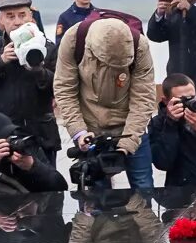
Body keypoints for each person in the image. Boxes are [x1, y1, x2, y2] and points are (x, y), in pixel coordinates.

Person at [53, 15, 158, 190]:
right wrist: (79, 132)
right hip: (90, 132)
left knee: (143, 187)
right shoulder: (74, 39)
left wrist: (126, 146)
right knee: (93, 195)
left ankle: (144, 216)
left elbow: (143, 98)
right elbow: (65, 90)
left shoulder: (140, 45)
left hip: (130, 128)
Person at [0, 0, 62, 166]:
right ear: (1, 20)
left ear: (31, 18)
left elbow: (59, 86)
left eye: (22, 15)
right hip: (3, 135)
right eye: (10, 16)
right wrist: (0, 61)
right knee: (5, 189)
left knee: (48, 187)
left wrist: (37, 69)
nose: (17, 21)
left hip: (41, 134)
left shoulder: (47, 48)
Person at [0, 111, 68, 196]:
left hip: (29, 219)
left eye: (11, 134)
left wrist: (33, 167)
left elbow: (61, 187)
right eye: (2, 137)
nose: (8, 140)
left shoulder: (25, 153)